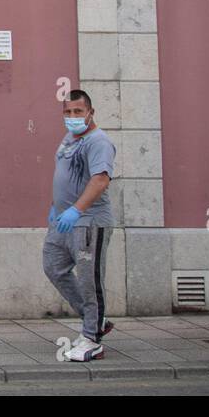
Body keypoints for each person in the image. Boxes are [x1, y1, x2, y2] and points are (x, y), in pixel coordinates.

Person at [43, 90, 116, 362]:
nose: (72, 117)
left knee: (89, 281)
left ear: (90, 113)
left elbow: (100, 180)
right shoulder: (69, 138)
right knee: (54, 267)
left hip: (88, 222)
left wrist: (76, 210)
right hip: (62, 221)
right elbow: (63, 175)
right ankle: (95, 319)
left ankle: (92, 339)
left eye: (78, 112)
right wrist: (56, 207)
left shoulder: (98, 141)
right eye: (67, 112)